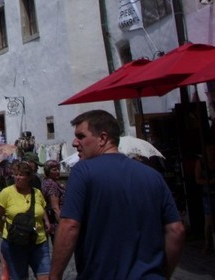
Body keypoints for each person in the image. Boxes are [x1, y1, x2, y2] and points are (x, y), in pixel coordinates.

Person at [49, 110, 185, 280]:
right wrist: (163, 274)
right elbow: (176, 230)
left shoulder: (82, 171)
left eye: (81, 136)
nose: (75, 142)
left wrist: (54, 276)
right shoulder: (153, 176)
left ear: (102, 138)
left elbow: (69, 225)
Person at [0, 161, 50, 280]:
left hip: (39, 242)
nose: (17, 177)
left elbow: (42, 208)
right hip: (15, 243)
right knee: (19, 277)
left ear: (29, 177)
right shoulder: (6, 193)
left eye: (21, 175)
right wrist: (6, 231)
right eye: (16, 174)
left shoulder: (37, 192)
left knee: (45, 276)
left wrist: (47, 221)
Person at [195, 143, 215, 254]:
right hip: (208, 194)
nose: (212, 152)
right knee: (209, 221)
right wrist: (210, 182)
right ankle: (208, 244)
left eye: (213, 149)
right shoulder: (201, 163)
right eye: (209, 149)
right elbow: (197, 180)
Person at [40, 160, 63, 244]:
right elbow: (55, 208)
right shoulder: (51, 185)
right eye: (54, 170)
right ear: (48, 172)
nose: (58, 172)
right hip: (56, 221)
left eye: (58, 169)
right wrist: (63, 225)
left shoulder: (47, 182)